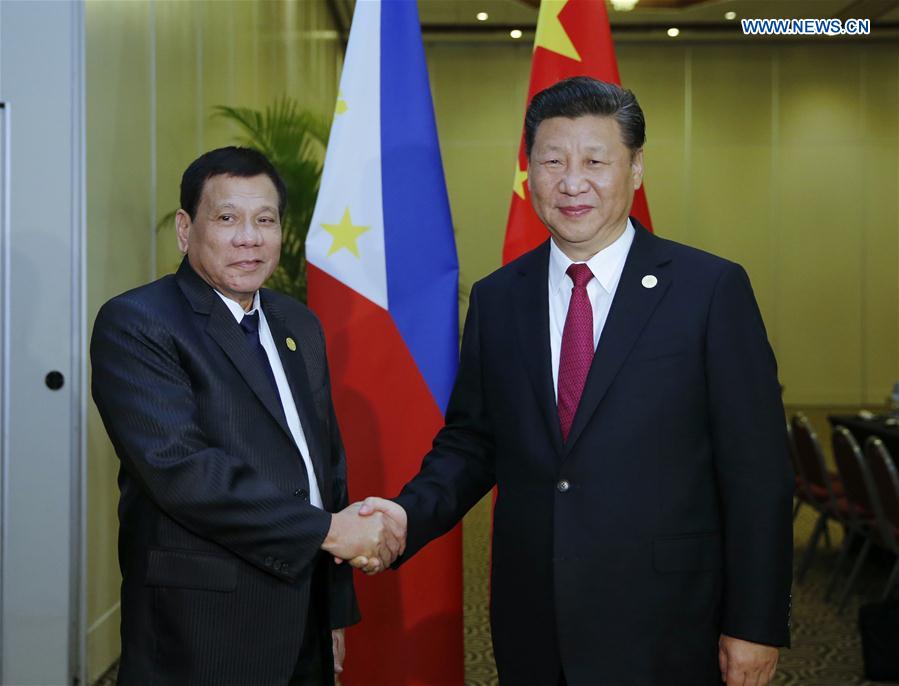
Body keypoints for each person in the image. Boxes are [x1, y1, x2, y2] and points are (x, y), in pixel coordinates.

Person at [357, 78, 793, 686]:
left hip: (669, 622)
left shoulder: (709, 291)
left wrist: (756, 622)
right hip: (535, 619)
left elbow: (758, 472)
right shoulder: (499, 298)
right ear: (529, 172)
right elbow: (474, 443)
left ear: (635, 169)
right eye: (552, 161)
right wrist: (407, 516)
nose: (571, 182)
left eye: (595, 160)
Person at [91, 147, 403, 686]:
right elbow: (184, 472)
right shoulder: (137, 323)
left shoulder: (296, 323)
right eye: (227, 218)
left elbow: (322, 464)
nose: (249, 238)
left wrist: (331, 612)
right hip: (204, 628)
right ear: (186, 230)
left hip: (302, 614)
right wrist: (328, 532)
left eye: (265, 220)